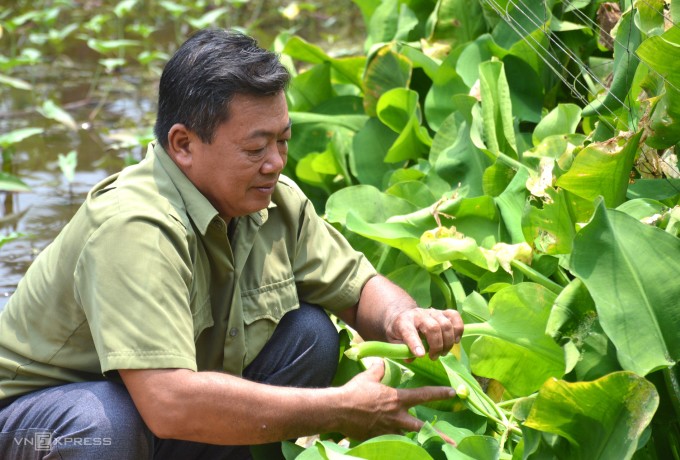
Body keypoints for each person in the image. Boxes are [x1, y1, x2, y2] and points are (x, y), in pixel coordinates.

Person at [0, 28, 464, 459]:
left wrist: (403, 317)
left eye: (283, 141)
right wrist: (338, 408)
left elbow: (359, 286)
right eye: (255, 148)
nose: (277, 163)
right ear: (183, 144)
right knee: (104, 423)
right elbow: (167, 402)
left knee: (310, 336)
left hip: (156, 416)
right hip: (35, 425)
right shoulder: (133, 227)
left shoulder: (273, 201)